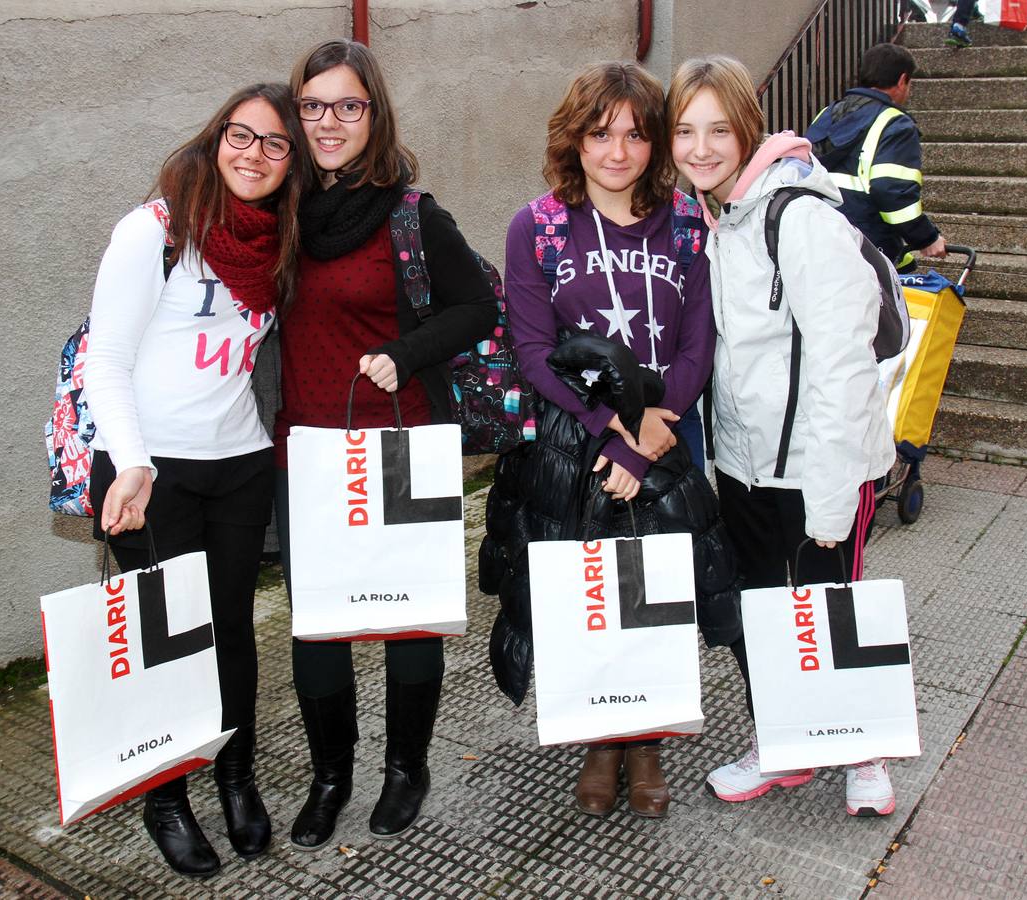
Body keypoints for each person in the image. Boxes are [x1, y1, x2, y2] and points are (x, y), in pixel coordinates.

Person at [482, 61, 740, 819]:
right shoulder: (539, 227)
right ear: (576, 139)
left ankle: (648, 737)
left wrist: (646, 440)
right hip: (576, 441)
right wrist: (611, 434)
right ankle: (601, 736)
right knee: (587, 590)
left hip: (665, 436)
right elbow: (532, 351)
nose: (619, 151)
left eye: (635, 134)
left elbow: (699, 344)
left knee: (654, 588)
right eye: (601, 134)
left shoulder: (689, 224)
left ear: (655, 143)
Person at [84, 83, 309, 876]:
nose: (254, 153)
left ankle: (237, 777)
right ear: (216, 140)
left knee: (233, 631)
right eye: (241, 136)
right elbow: (103, 361)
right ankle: (168, 797)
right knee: (167, 643)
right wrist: (133, 462)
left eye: (275, 143)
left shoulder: (277, 239)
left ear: (291, 162)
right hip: (155, 470)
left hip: (238, 463)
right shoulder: (157, 229)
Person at [276, 39, 496, 850]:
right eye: (312, 106)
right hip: (304, 454)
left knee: (411, 620)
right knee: (318, 627)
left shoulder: (412, 214)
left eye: (348, 106)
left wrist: (404, 353)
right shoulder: (278, 207)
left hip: (401, 446)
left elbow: (477, 307)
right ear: (294, 112)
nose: (329, 122)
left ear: (375, 113)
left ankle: (408, 768)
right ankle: (330, 776)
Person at [667, 56, 898, 817]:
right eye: (685, 131)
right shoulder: (717, 219)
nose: (700, 148)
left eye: (718, 130)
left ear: (747, 130)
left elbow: (842, 365)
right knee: (765, 612)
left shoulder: (798, 218)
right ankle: (785, 744)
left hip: (819, 470)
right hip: (746, 467)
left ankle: (863, 751)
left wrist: (832, 500)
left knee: (833, 608)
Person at [805, 43, 946, 272]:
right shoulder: (895, 123)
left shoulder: (829, 113)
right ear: (902, 80)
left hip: (816, 233)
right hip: (865, 243)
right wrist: (927, 238)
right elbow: (891, 190)